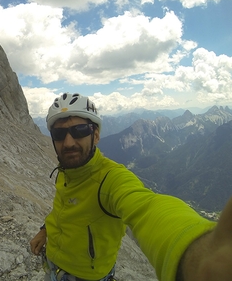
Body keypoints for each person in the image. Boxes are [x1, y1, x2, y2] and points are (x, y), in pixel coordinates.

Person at [30, 92, 232, 281]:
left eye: (79, 130)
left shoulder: (111, 179)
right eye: (59, 134)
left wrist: (195, 248)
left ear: (96, 135)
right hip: (53, 264)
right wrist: (44, 230)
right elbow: (63, 209)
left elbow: (146, 207)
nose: (68, 142)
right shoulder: (66, 171)